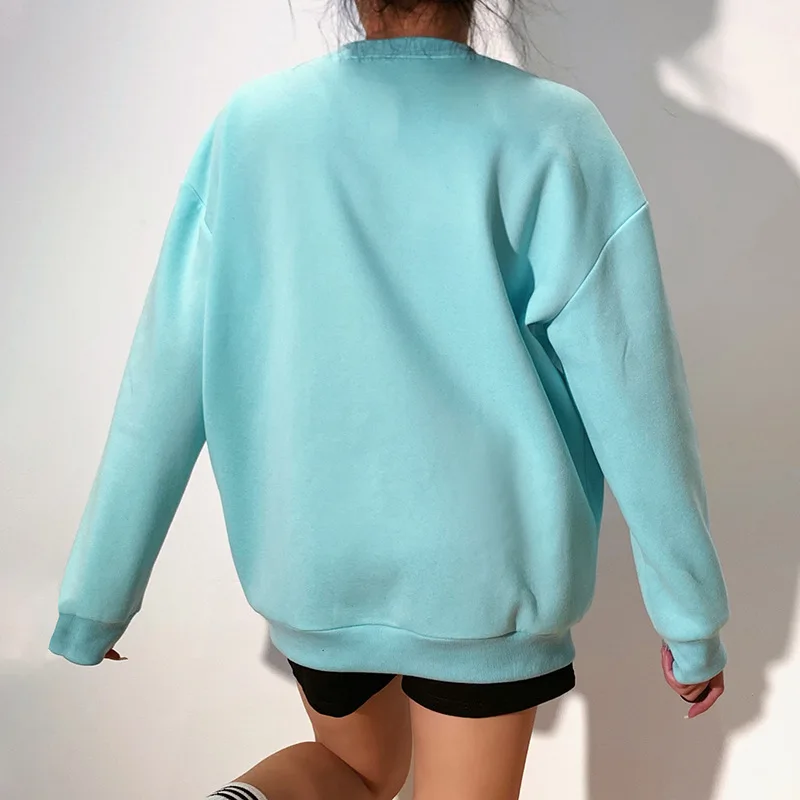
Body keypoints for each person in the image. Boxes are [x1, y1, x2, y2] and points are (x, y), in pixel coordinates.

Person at [48, 0, 730, 796]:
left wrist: (98, 598)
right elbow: (637, 396)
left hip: (315, 565)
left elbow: (162, 379)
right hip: (484, 579)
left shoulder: (253, 130)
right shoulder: (553, 130)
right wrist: (690, 620)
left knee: (356, 770)